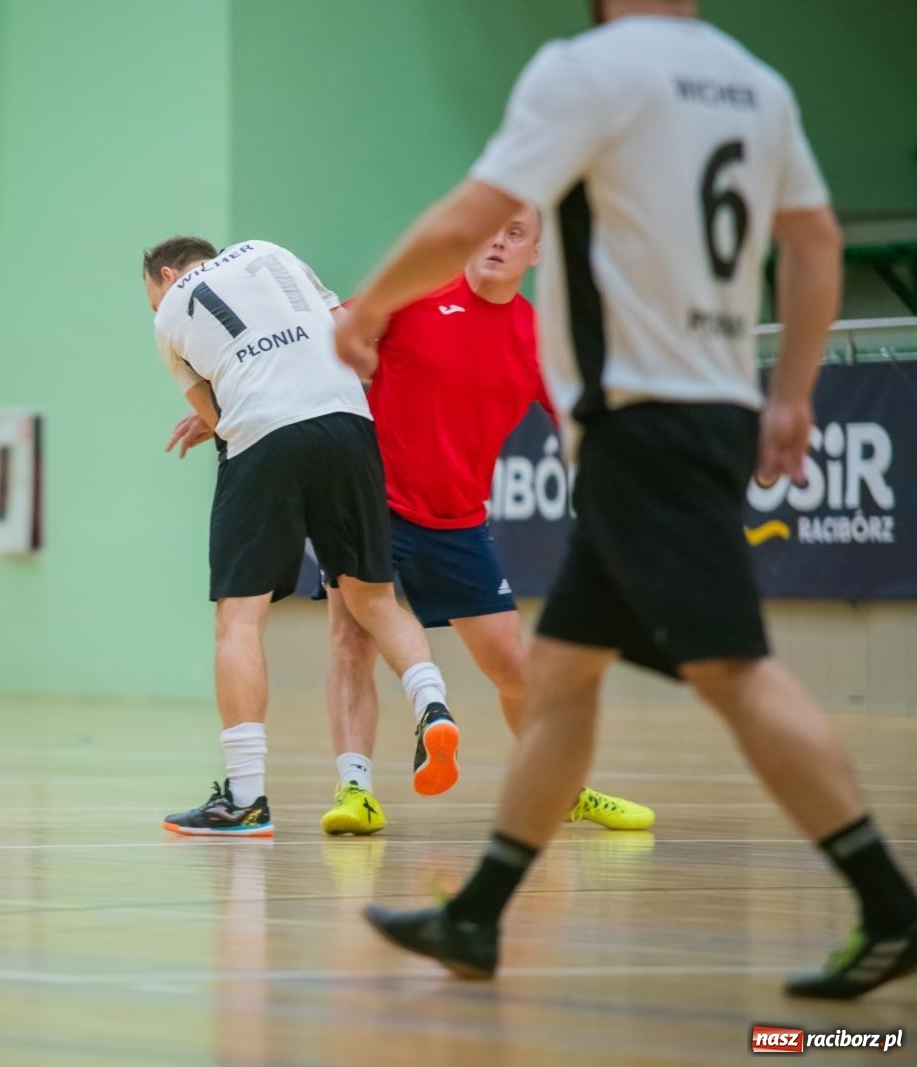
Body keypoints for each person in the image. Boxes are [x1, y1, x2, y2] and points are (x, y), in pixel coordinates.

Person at [346, 0, 917, 999]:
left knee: (736, 673)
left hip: (642, 425)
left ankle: (890, 905)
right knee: (559, 679)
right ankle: (477, 913)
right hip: (700, 413)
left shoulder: (587, 71)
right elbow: (815, 241)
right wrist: (787, 391)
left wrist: (364, 304)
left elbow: (469, 215)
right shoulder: (755, 83)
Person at [325, 204, 653, 834]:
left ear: (535, 255)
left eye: (515, 235)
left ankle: (562, 788)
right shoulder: (414, 290)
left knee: (513, 665)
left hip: (458, 520)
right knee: (351, 636)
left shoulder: (537, 338)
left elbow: (586, 427)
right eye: (489, 230)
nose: (497, 243)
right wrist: (233, 404)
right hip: (375, 500)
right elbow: (326, 341)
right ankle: (356, 791)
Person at [143, 235, 453, 836]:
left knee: (239, 619)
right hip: (347, 420)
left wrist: (245, 407)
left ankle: (246, 800)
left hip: (263, 435)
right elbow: (348, 333)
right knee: (373, 599)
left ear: (164, 274)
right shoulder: (272, 251)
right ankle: (432, 703)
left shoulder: (170, 313)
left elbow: (217, 418)